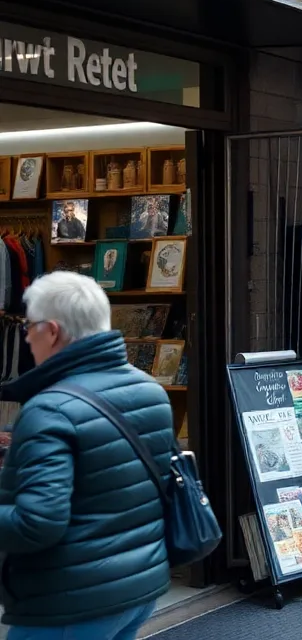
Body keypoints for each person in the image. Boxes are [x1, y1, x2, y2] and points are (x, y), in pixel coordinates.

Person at [0, 272, 176, 640]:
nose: (26, 337)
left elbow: (37, 522)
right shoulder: (150, 389)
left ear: (51, 331)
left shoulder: (49, 409)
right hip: (136, 587)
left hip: (68, 602)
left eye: (28, 327)